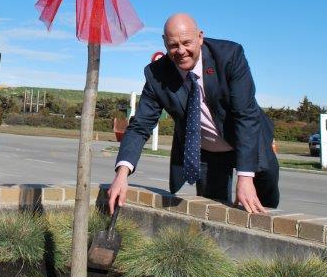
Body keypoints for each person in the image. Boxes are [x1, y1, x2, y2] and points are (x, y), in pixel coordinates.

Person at [108, 13, 279, 215]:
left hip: (248, 140)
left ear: (200, 37)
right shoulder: (156, 74)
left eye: (187, 42)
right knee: (212, 212)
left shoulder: (230, 56)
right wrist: (122, 174)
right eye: (173, 45)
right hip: (208, 151)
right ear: (164, 42)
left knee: (261, 208)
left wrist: (245, 177)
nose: (181, 51)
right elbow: (140, 126)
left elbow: (246, 114)